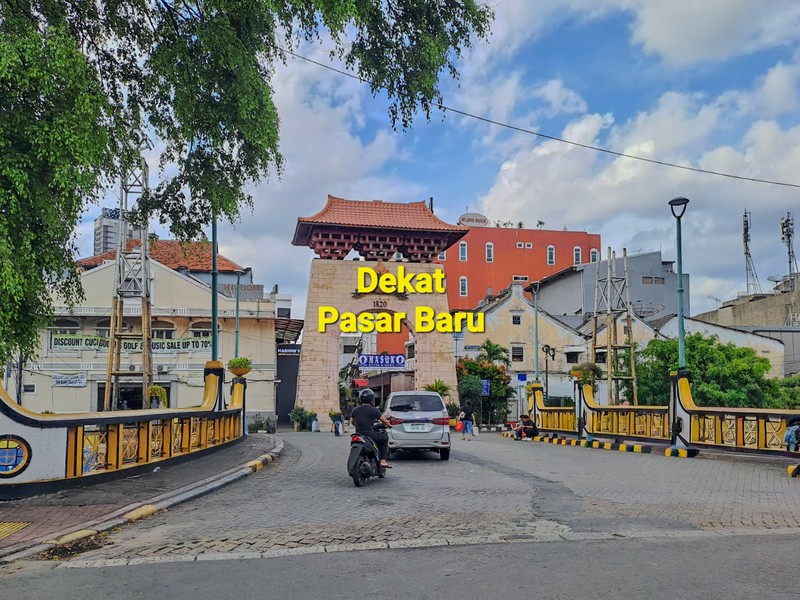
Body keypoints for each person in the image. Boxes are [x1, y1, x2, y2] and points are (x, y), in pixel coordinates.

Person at [350, 389, 392, 468]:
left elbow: (352, 422)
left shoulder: (355, 410)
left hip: (358, 434)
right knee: (384, 438)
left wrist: (359, 425)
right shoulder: (374, 410)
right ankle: (383, 460)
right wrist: (389, 424)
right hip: (369, 435)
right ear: (371, 399)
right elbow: (383, 420)